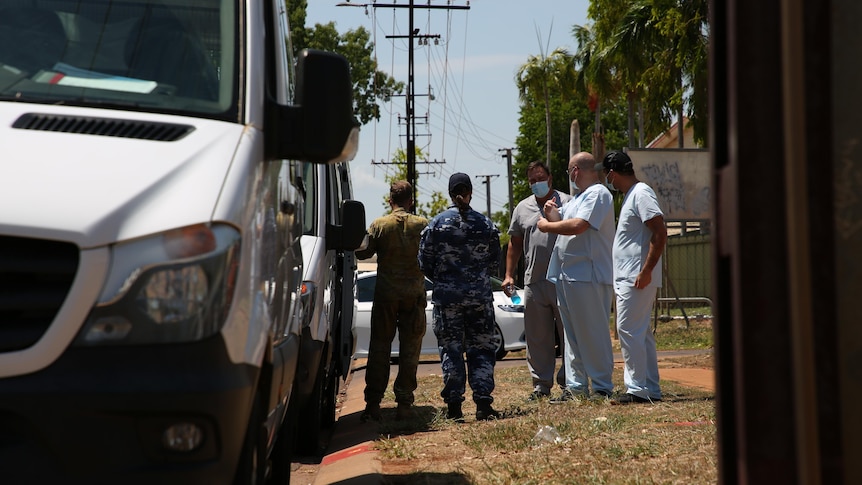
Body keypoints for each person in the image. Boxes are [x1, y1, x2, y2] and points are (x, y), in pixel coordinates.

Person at [418, 172, 502, 421]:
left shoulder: (436, 224)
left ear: (449, 192)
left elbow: (424, 262)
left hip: (448, 299)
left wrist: (445, 279)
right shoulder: (485, 224)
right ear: (471, 192)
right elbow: (494, 261)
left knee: (451, 349)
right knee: (482, 349)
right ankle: (483, 405)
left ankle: (454, 407)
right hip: (479, 298)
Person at [537, 152, 616, 402]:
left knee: (592, 332)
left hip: (587, 274)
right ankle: (576, 387)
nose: (569, 176)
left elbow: (579, 226)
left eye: (569, 171)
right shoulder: (577, 198)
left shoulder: (599, 194)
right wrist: (553, 215)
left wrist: (547, 226)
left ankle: (602, 386)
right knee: (571, 336)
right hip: (567, 274)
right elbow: (566, 222)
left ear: (575, 171)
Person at [355, 181, 429, 421]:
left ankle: (373, 405)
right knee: (410, 350)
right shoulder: (422, 225)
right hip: (413, 295)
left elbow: (362, 252)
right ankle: (404, 404)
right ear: (411, 201)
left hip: (386, 296)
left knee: (380, 348)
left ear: (390, 201)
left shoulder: (380, 225)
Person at [602, 151, 668, 404]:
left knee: (627, 330)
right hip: (632, 275)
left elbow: (660, 232)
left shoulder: (641, 193)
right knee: (639, 333)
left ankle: (637, 389)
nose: (608, 180)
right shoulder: (633, 195)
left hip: (637, 277)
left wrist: (646, 270)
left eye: (607, 175)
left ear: (612, 173)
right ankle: (650, 388)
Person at [502, 161, 571, 400]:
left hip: (564, 279)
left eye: (540, 178)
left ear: (550, 179)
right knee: (537, 337)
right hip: (534, 281)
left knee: (568, 335)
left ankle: (570, 383)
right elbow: (515, 243)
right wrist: (509, 274)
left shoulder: (569, 202)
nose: (536, 183)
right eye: (532, 180)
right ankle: (541, 385)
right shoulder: (522, 208)